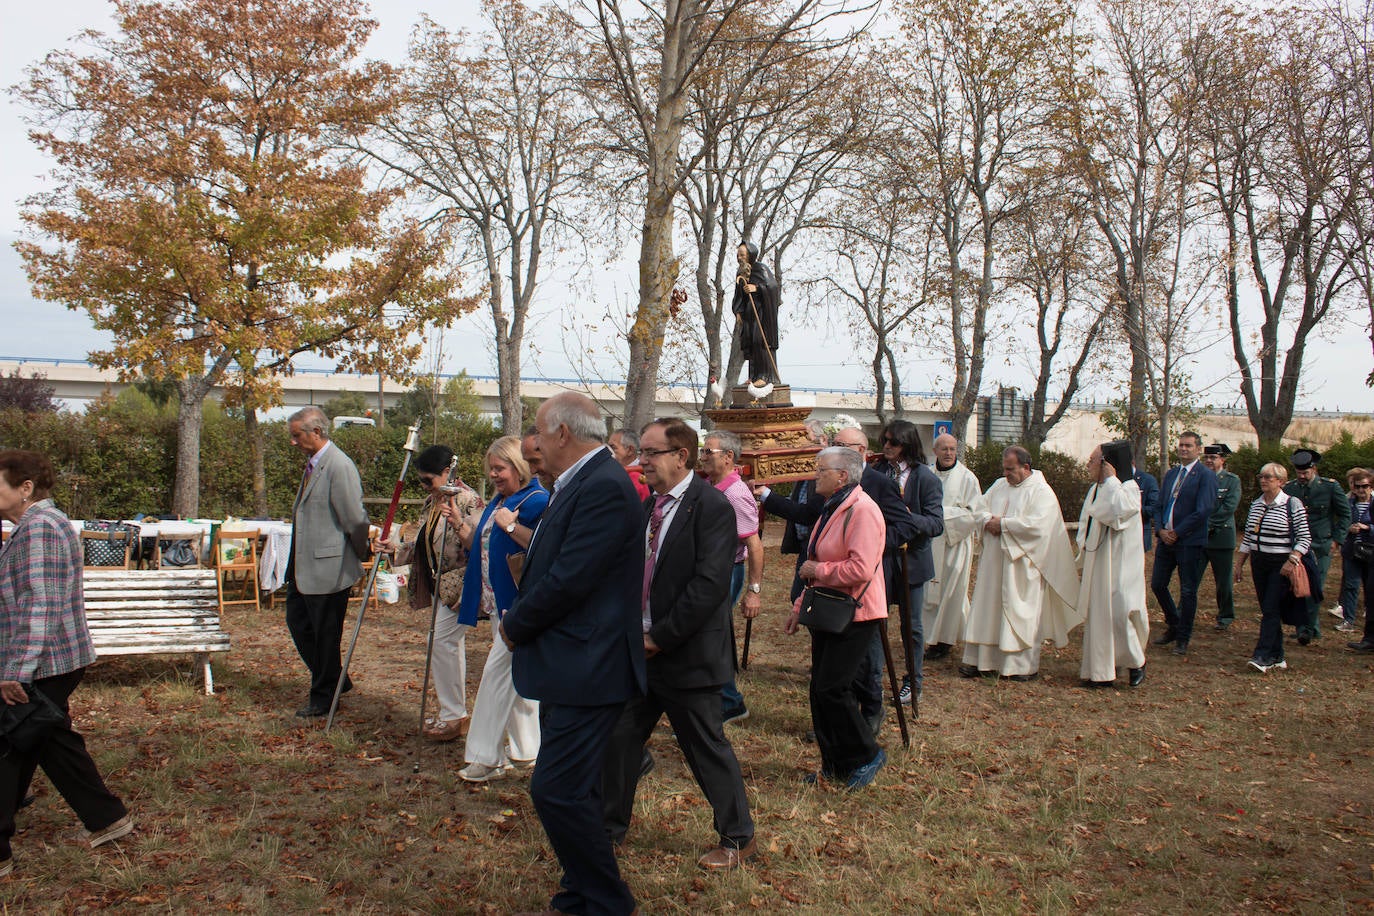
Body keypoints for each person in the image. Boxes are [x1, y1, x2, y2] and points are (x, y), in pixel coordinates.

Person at [502, 393, 644, 916]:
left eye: (539, 432)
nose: (533, 444)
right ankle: (581, 892)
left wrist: (516, 625)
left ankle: (608, 902)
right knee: (575, 790)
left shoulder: (603, 485)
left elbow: (571, 577)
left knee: (557, 790)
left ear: (563, 433)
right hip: (572, 663)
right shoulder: (580, 481)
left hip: (591, 665)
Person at [602, 418, 756, 869]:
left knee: (704, 747)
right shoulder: (650, 505)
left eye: (651, 453)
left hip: (687, 654)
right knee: (619, 739)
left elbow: (709, 587)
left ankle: (738, 837)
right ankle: (608, 831)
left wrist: (660, 637)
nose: (642, 461)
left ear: (680, 456)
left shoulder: (711, 507)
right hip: (641, 650)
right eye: (642, 453)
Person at [0, 450, 132, 872]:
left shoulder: (40, 527)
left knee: (9, 744)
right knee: (50, 740)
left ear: (25, 488)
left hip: (45, 661)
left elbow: (40, 604)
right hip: (53, 658)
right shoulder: (35, 525)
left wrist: (16, 671)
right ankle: (108, 819)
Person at [755, 427, 913, 736]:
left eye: (841, 445)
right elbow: (808, 523)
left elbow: (901, 529)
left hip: (857, 598)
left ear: (852, 462)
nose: (816, 474)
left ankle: (867, 717)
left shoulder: (871, 494)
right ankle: (835, 728)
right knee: (829, 679)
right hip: (825, 593)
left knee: (859, 665)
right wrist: (800, 604)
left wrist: (869, 544)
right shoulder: (831, 501)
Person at [783, 445, 888, 789]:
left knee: (833, 689)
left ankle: (866, 754)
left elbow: (861, 568)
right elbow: (815, 561)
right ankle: (834, 765)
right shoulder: (831, 508)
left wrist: (820, 570)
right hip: (827, 608)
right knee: (819, 690)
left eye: (821, 470)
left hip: (856, 613)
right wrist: (798, 609)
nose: (815, 475)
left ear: (842, 476)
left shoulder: (862, 510)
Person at [450, 436, 549, 783]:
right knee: (514, 677)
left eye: (499, 468)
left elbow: (544, 548)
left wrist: (509, 524)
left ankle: (484, 759)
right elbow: (482, 544)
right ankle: (527, 750)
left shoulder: (537, 500)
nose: (493, 474)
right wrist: (459, 523)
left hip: (520, 606)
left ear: (519, 467)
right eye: (490, 469)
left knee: (496, 675)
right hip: (498, 602)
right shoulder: (500, 500)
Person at [376, 445, 478, 741]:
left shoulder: (468, 500)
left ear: (447, 472)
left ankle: (454, 715)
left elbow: (479, 544)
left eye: (428, 479)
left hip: (459, 586)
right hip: (438, 585)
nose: (423, 485)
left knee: (442, 642)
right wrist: (395, 549)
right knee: (446, 645)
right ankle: (453, 713)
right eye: (420, 480)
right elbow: (423, 543)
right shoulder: (431, 501)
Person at [961, 446, 1081, 680]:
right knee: (988, 610)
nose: (1006, 474)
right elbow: (979, 508)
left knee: (1019, 613)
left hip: (1022, 566)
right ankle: (982, 661)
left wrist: (1003, 525)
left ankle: (1019, 667)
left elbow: (1038, 527)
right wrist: (987, 520)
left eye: (1010, 469)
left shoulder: (1042, 492)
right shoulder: (999, 485)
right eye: (1004, 469)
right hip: (994, 563)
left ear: (1026, 467)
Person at [284, 406, 370, 718]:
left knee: (325, 636)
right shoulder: (314, 464)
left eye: (297, 435)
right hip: (303, 568)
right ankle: (336, 679)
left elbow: (354, 519)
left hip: (329, 570)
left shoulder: (339, 465)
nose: (293, 441)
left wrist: (361, 554)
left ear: (317, 432)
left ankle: (323, 697)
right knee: (298, 623)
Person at [872, 420, 943, 707]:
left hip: (912, 561)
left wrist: (904, 517)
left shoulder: (925, 478)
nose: (887, 446)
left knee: (911, 626)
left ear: (908, 444)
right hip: (881, 560)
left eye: (894, 442)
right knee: (876, 622)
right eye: (885, 441)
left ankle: (913, 682)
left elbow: (936, 524)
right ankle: (872, 682)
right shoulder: (877, 472)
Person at [699, 430, 762, 724]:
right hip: (709, 571)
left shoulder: (735, 494)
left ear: (728, 457)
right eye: (702, 450)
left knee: (712, 637)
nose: (702, 456)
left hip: (727, 572)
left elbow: (754, 543)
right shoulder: (710, 486)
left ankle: (728, 702)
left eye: (708, 451)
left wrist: (754, 590)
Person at [1076, 444, 1148, 688]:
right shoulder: (1095, 489)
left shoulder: (1128, 488)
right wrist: (1084, 547)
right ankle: (1100, 672)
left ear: (1106, 464)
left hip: (1121, 564)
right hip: (1099, 562)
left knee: (1119, 613)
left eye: (1092, 460)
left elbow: (1117, 513)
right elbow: (1086, 520)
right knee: (1098, 616)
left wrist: (1112, 480)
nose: (1088, 465)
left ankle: (1136, 662)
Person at [1235, 462, 1311, 672]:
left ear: (1281, 481)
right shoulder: (1256, 504)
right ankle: (1278, 656)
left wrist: (1292, 560)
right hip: (1259, 562)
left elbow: (1304, 537)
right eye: (1261, 476)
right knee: (1269, 609)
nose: (1263, 480)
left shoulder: (1291, 504)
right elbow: (1249, 537)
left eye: (1268, 477)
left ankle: (1263, 655)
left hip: (1281, 564)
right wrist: (1240, 563)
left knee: (1271, 608)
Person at [1150, 431, 1217, 656]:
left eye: (1188, 445)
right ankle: (1174, 623)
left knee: (1188, 590)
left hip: (1189, 541)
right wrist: (1161, 529)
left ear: (1198, 449)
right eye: (1181, 445)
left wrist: (1177, 532)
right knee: (1158, 584)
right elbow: (1159, 505)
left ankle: (1183, 637)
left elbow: (1203, 510)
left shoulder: (1205, 475)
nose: (1183, 449)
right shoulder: (1172, 474)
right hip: (1166, 540)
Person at [923, 433, 982, 661]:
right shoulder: (926, 474)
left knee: (951, 591)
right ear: (935, 451)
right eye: (944, 449)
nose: (948, 453)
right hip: (930, 543)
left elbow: (974, 514)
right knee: (929, 591)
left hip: (954, 544)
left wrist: (939, 516)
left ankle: (944, 640)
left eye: (952, 449)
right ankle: (928, 636)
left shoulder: (967, 478)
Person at [1283, 449, 1350, 644]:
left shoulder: (1330, 487)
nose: (1302, 476)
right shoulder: (1290, 488)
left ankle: (1308, 628)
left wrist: (1337, 539)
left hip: (1321, 544)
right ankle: (1307, 628)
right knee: (1297, 585)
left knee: (1314, 587)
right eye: (1299, 473)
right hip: (1297, 546)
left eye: (1305, 473)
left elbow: (1345, 514)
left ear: (1314, 469)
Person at [1199, 444, 1243, 631]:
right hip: (1199, 538)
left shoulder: (1231, 481)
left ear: (1222, 460)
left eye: (1213, 458)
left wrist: (1206, 525)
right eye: (1207, 458)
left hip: (1221, 537)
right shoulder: (1199, 478)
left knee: (1223, 582)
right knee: (1190, 578)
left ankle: (1225, 615)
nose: (1209, 461)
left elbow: (1228, 508)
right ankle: (1183, 611)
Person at [731, 242, 781, 385]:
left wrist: (757, 288)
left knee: (760, 341)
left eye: (742, 255)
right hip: (750, 315)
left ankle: (765, 376)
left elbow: (772, 287)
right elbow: (738, 295)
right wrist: (738, 311)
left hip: (762, 315)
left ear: (750, 255)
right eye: (738, 255)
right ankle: (753, 376)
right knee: (751, 342)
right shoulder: (741, 273)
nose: (739, 258)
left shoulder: (760, 268)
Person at [1337, 467, 1373, 635]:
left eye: (1364, 486)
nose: (1361, 490)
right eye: (1357, 486)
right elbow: (1340, 523)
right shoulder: (1347, 503)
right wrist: (1348, 529)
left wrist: (1368, 528)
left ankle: (1369, 622)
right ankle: (1348, 620)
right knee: (1351, 586)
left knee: (1370, 587)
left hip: (1370, 551)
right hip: (1351, 551)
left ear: (1371, 487)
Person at [608, 429, 650, 501]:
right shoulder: (612, 471)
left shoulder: (645, 476)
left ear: (630, 450)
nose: (608, 452)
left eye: (613, 447)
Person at [1135, 464, 1160, 553]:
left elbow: (1154, 508)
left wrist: (1132, 509)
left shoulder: (1147, 480)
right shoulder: (1112, 480)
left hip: (1139, 535)